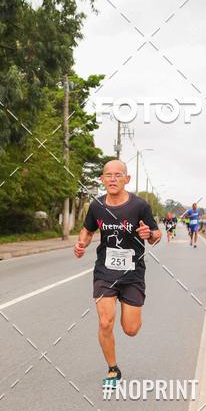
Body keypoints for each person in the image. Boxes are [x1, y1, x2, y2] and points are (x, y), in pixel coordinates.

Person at [73, 159, 161, 386]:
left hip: (132, 273)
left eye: (117, 175)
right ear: (102, 179)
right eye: (108, 175)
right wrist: (81, 244)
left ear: (126, 179)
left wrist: (148, 234)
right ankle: (113, 369)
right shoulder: (96, 206)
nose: (112, 179)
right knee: (105, 322)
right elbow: (88, 230)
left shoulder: (140, 206)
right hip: (105, 272)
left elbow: (156, 235)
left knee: (131, 329)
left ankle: (130, 311)